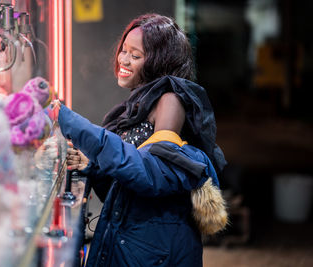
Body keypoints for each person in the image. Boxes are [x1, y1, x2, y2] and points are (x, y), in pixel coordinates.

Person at [55, 13, 227, 266]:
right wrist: (93, 167)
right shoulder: (138, 105)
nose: (123, 60)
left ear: (159, 62)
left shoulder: (170, 100)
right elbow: (125, 189)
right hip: (136, 246)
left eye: (135, 56)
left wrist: (69, 121)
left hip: (153, 252)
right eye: (123, 51)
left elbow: (150, 174)